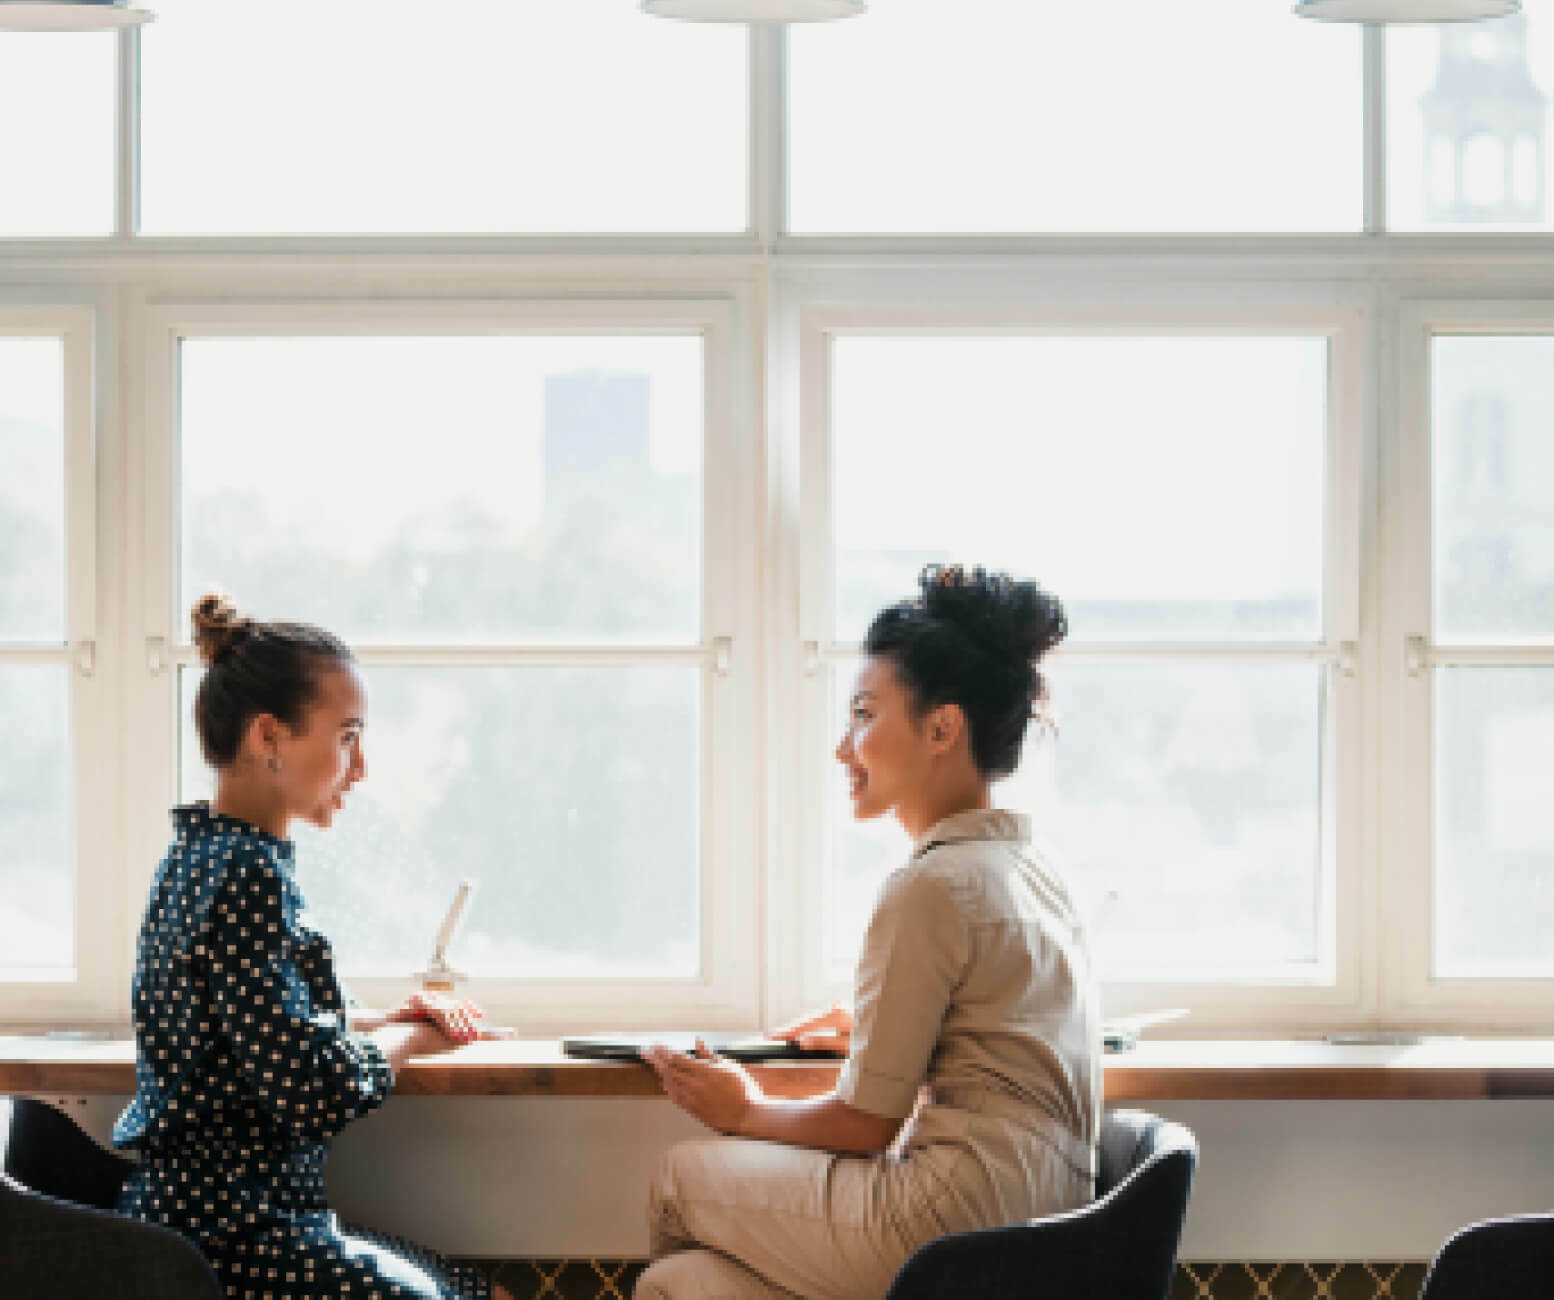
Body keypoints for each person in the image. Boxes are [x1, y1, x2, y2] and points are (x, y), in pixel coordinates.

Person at [638, 564, 1101, 1299]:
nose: (842, 747)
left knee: (678, 1177)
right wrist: (875, 1030)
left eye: (862, 715)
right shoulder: (1034, 870)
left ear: (942, 728)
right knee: (678, 1285)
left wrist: (745, 1108)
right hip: (1055, 1222)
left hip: (954, 1220)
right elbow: (1003, 1029)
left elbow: (865, 1125)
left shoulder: (931, 885)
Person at [112, 594, 516, 1300]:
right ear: (268, 737)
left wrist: (376, 1020)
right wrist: (412, 1041)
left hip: (201, 1217)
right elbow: (313, 1089)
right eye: (348, 736)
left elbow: (252, 1015)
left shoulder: (196, 854)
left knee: (475, 1289)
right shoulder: (247, 875)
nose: (359, 766)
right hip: (233, 1237)